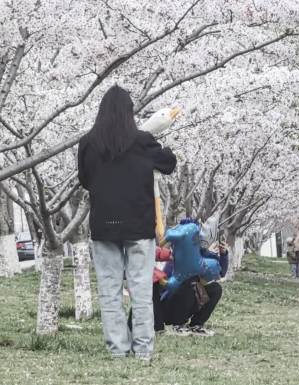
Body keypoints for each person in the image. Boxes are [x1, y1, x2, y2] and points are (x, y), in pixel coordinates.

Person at [78, 85, 177, 360]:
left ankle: (118, 351)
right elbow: (169, 164)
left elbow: (85, 180)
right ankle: (143, 350)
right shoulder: (143, 140)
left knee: (110, 292)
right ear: (130, 113)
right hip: (138, 224)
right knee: (141, 290)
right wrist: (162, 142)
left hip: (104, 225)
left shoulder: (87, 142)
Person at [159, 240, 227, 336]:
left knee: (215, 289)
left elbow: (221, 273)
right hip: (169, 305)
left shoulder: (202, 256)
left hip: (188, 302)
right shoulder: (177, 257)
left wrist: (222, 254)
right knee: (191, 281)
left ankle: (196, 325)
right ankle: (178, 325)